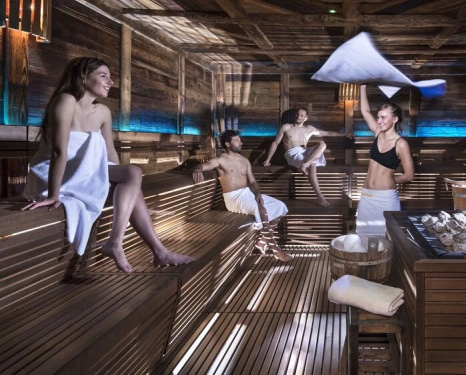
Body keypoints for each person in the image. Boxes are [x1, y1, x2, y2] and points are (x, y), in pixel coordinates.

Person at [22, 57, 194, 273]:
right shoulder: (66, 101)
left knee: (133, 175)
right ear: (83, 77)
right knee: (133, 177)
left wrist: (122, 181)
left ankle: (131, 245)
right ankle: (146, 249)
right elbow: (59, 151)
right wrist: (54, 194)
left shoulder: (103, 112)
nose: (110, 82)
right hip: (56, 173)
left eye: (110, 77)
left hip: (86, 172)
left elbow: (110, 152)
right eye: (103, 76)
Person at [192, 129, 293, 262]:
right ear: (228, 144)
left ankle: (262, 242)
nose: (241, 143)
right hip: (233, 198)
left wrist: (258, 194)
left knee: (280, 206)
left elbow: (252, 181)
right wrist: (197, 170)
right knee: (262, 210)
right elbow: (202, 166)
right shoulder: (220, 160)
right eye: (236, 140)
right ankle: (276, 251)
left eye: (240, 140)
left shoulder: (244, 161)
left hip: (247, 193)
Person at [263, 107, 354, 207]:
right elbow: (275, 143)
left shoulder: (309, 129)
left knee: (322, 144)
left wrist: (344, 134)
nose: (299, 116)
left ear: (305, 118)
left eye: (302, 115)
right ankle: (320, 197)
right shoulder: (286, 127)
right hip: (293, 153)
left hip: (305, 151)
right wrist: (268, 159)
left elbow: (326, 133)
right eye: (297, 114)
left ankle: (305, 164)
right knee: (312, 166)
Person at [356, 84, 414, 235]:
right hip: (367, 196)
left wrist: (390, 180)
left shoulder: (401, 144)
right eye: (378, 117)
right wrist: (362, 86)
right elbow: (365, 111)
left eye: (383, 117)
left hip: (386, 199)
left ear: (395, 119)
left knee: (387, 239)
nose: (379, 121)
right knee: (363, 238)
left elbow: (409, 175)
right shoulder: (377, 133)